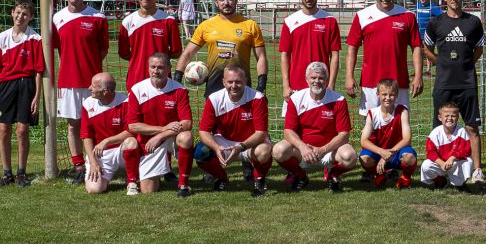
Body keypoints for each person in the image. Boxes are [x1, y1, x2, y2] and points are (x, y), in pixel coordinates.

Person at [423, 0, 485, 178]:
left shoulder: (473, 22)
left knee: (472, 127)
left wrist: (465, 65)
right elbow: (427, 49)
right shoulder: (436, 22)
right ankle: (440, 171)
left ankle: (477, 170)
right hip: (444, 83)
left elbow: (479, 49)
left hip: (467, 83)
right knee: (439, 127)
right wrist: (441, 63)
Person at [52, 0, 109, 183]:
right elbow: (57, 48)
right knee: (73, 124)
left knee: (97, 123)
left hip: (93, 83)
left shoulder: (98, 17)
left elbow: (103, 50)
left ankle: (99, 163)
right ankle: (78, 165)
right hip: (68, 81)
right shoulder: (57, 18)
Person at [273, 62, 357, 192]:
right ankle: (300, 176)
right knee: (278, 150)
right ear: (306, 79)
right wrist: (303, 147)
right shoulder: (296, 98)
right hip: (303, 152)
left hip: (329, 151)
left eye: (321, 78)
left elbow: (344, 135)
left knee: (350, 156)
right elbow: (288, 131)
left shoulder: (339, 100)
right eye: (313, 78)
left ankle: (333, 175)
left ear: (327, 80)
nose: (317, 81)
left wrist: (323, 149)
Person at [345, 0, 423, 115]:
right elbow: (352, 48)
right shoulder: (362, 16)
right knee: (370, 125)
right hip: (371, 81)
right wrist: (349, 76)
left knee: (399, 124)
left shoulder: (408, 16)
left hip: (399, 80)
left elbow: (416, 47)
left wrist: (418, 76)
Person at [0, 0, 45, 187]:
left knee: (22, 130)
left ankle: (21, 172)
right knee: (4, 129)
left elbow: (38, 70)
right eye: (18, 12)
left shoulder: (35, 39)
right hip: (5, 87)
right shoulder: (1, 38)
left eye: (25, 14)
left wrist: (37, 96)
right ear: (12, 13)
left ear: (31, 17)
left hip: (26, 86)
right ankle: (6, 173)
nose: (20, 16)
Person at [175, 0, 268, 97]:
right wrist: (177, 78)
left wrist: (261, 85)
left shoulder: (250, 25)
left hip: (241, 86)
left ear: (236, 0)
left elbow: (261, 57)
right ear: (216, 3)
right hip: (214, 87)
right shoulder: (206, 26)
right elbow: (188, 53)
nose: (226, 3)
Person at [196, 64, 272, 196]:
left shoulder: (257, 98)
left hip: (250, 143)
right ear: (223, 82)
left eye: (238, 82)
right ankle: (222, 178)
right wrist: (216, 147)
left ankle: (259, 179)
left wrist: (240, 147)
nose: (234, 86)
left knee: (264, 151)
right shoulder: (214, 99)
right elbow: (203, 132)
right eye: (230, 82)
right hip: (225, 141)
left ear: (246, 81)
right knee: (200, 152)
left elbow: (261, 133)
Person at [127, 52, 195, 197]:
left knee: (186, 137)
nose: (156, 71)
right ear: (148, 68)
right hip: (149, 141)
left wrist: (162, 135)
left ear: (169, 69)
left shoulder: (179, 90)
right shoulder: (137, 90)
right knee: (148, 190)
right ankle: (162, 170)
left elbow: (187, 123)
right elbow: (132, 126)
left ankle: (183, 184)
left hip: (172, 136)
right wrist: (161, 129)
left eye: (160, 67)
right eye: (153, 67)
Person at [279, 0, 341, 106]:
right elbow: (285, 55)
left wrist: (331, 83)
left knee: (322, 123)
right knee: (293, 124)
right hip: (296, 84)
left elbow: (335, 55)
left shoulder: (329, 21)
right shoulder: (290, 21)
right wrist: (286, 85)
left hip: (321, 83)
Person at [80, 72, 142, 196]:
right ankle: (104, 176)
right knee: (94, 189)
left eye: (93, 86)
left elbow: (131, 131)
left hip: (121, 149)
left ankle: (132, 182)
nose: (89, 88)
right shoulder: (87, 104)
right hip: (101, 154)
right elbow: (86, 136)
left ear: (105, 91)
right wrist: (93, 162)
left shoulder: (126, 102)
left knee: (132, 142)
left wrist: (107, 141)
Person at [118, 0, 182, 91]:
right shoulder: (127, 21)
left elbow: (176, 52)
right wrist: (140, 60)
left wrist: (159, 61)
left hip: (162, 80)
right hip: (136, 79)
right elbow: (124, 53)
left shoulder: (168, 21)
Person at [358, 78, 419, 188]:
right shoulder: (372, 113)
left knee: (409, 157)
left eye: (391, 95)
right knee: (364, 158)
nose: (387, 98)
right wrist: (381, 152)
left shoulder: (402, 111)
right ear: (378, 95)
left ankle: (405, 177)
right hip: (379, 153)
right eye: (384, 94)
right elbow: (363, 141)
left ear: (396, 95)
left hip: (397, 152)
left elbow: (407, 139)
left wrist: (387, 155)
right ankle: (379, 174)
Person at [421, 102, 476, 192]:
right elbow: (431, 152)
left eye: (453, 116)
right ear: (440, 118)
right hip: (440, 163)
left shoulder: (461, 131)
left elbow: (465, 151)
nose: (449, 118)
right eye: (446, 116)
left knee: (468, 162)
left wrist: (452, 158)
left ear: (458, 117)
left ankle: (460, 183)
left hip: (454, 162)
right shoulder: (435, 133)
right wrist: (441, 163)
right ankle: (440, 181)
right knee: (426, 166)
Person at [413, 0, 443, 75]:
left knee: (428, 52)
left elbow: (441, 16)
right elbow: (415, 15)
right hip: (418, 33)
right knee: (419, 52)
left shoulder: (432, 7)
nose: (422, 0)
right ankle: (418, 71)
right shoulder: (417, 6)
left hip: (428, 34)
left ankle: (428, 70)